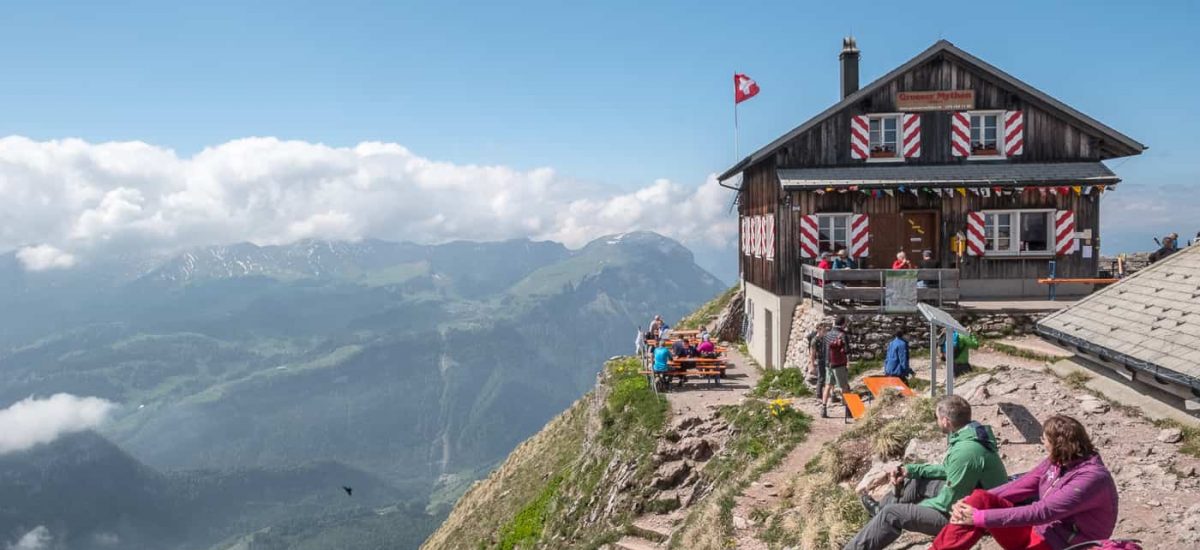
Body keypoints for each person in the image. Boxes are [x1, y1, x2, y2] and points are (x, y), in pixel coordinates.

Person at [844, 396, 1008, 550]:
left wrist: (910, 508)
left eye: (937, 418)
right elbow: (952, 470)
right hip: (970, 497)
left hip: (971, 518)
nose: (936, 421)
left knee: (892, 513)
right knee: (915, 481)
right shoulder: (970, 435)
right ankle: (880, 512)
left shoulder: (966, 451)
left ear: (946, 421)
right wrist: (912, 470)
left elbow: (947, 502)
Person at [931, 415, 1118, 550]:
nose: (1042, 443)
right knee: (980, 497)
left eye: (1044, 439)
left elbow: (1043, 512)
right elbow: (1018, 487)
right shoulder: (1058, 460)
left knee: (978, 509)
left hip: (1062, 544)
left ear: (1057, 444)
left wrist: (979, 518)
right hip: (1037, 532)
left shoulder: (1091, 479)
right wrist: (967, 503)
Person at [820, 316, 854, 418]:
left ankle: (824, 408)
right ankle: (848, 410)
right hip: (839, 364)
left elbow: (823, 350)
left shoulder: (827, 335)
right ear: (843, 323)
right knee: (844, 386)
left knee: (828, 385)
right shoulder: (843, 335)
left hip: (828, 364)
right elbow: (847, 351)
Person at [806, 321, 830, 389]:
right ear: (819, 330)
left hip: (825, 360)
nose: (825, 332)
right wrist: (812, 365)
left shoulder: (824, 339)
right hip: (819, 360)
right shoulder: (814, 340)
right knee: (821, 378)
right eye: (824, 330)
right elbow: (812, 354)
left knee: (826, 379)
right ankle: (819, 395)